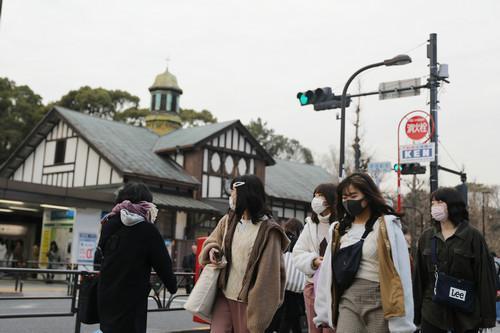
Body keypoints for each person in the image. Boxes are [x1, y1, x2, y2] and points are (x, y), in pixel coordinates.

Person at [314, 173, 415, 333]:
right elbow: (327, 272)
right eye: (344, 197)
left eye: (353, 195)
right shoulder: (339, 229)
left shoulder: (387, 226)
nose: (348, 201)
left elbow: (401, 273)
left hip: (379, 299)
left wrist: (404, 322)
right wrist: (323, 311)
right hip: (348, 298)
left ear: (367, 197)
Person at [199, 174, 289, 333]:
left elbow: (269, 277)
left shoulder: (269, 231)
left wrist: (259, 314)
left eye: (234, 191)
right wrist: (213, 249)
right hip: (224, 294)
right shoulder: (228, 220)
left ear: (246, 193)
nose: (231, 195)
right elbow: (212, 240)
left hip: (248, 302)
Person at [95, 182, 178, 333]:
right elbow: (163, 263)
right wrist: (172, 286)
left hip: (106, 294)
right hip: (131, 299)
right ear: (145, 203)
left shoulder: (109, 223)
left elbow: (98, 257)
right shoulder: (146, 229)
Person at [413, 187, 496, 333]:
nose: (434, 207)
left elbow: (484, 278)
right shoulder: (426, 237)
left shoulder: (473, 236)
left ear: (453, 205)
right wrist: (416, 314)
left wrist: (486, 317)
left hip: (465, 315)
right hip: (432, 313)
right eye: (432, 203)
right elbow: (419, 278)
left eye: (439, 202)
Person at [292, 183, 337, 333]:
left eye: (320, 196)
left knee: (331, 328)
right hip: (312, 286)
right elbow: (297, 253)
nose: (316, 199)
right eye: (315, 196)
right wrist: (314, 261)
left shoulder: (340, 225)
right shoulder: (310, 225)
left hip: (333, 287)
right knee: (314, 329)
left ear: (331, 200)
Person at [267, 218, 307, 333]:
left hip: (282, 283)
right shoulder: (300, 240)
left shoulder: (282, 237)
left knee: (282, 314)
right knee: (291, 316)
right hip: (295, 286)